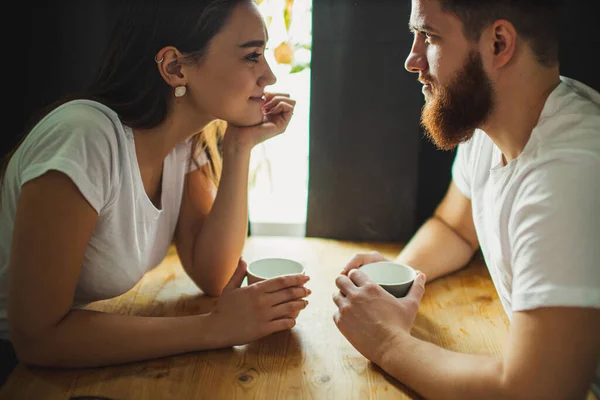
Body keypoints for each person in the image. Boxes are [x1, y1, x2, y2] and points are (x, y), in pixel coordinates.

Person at [0, 0, 311, 386]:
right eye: (252, 56)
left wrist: (238, 149)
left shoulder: (183, 144)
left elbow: (215, 275)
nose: (269, 76)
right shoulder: (84, 138)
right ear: (175, 67)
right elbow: (38, 339)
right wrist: (214, 329)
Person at [332, 0, 600, 398]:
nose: (412, 59)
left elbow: (538, 390)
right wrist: (397, 277)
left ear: (498, 43)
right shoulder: (490, 122)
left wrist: (386, 341)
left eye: (430, 36)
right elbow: (455, 228)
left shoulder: (568, 173)